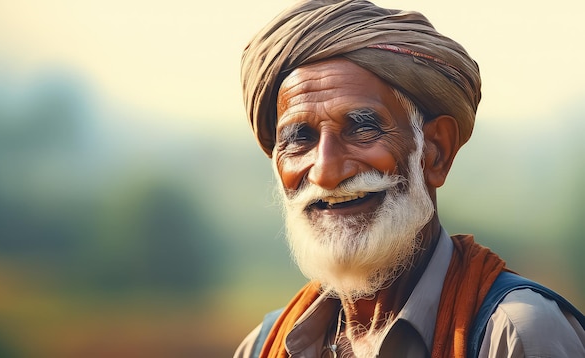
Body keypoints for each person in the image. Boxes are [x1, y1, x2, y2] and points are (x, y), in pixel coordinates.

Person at [234, 0, 585, 357]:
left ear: (436, 151)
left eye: (362, 128)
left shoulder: (514, 335)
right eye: (299, 139)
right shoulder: (264, 345)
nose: (325, 171)